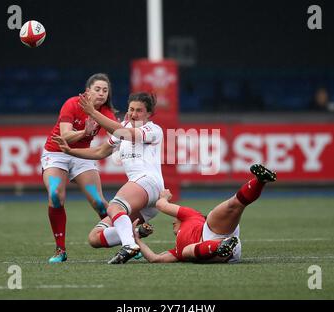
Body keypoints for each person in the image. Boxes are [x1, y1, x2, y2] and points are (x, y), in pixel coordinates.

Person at [53, 92, 164, 264]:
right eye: (131, 109)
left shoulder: (153, 129)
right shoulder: (125, 127)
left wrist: (92, 112)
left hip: (149, 182)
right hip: (143, 194)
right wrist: (70, 151)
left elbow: (124, 132)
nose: (134, 114)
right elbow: (100, 151)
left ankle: (129, 246)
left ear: (149, 114)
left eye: (139, 111)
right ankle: (136, 234)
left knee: (114, 206)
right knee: (95, 238)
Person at [41, 73, 118, 264]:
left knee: (99, 202)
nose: (101, 93)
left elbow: (118, 133)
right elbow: (65, 137)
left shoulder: (104, 112)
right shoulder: (72, 104)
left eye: (105, 90)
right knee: (55, 195)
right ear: (87, 91)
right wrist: (85, 131)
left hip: (82, 156)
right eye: (97, 89)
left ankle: (128, 241)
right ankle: (60, 250)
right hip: (56, 153)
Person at [133, 164, 277, 263]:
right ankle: (220, 246)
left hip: (214, 232)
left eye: (175, 220)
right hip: (222, 253)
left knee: (234, 204)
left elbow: (160, 205)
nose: (172, 222)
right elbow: (155, 259)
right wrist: (137, 239)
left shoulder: (191, 216)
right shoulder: (177, 250)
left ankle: (260, 180)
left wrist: (164, 197)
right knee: (186, 251)